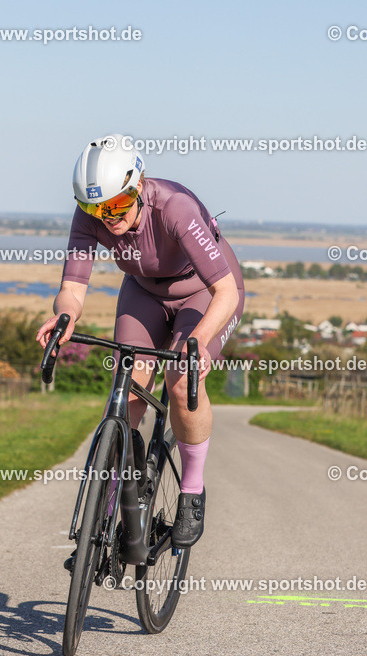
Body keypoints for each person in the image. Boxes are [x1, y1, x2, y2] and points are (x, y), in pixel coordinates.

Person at [37, 133, 245, 548]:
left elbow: (227, 293)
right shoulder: (92, 214)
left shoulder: (174, 208)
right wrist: (64, 315)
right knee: (126, 385)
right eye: (94, 208)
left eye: (115, 205)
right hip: (144, 290)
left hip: (203, 290)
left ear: (137, 185)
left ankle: (191, 490)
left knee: (183, 379)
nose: (106, 217)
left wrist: (199, 343)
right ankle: (112, 498)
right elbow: (73, 288)